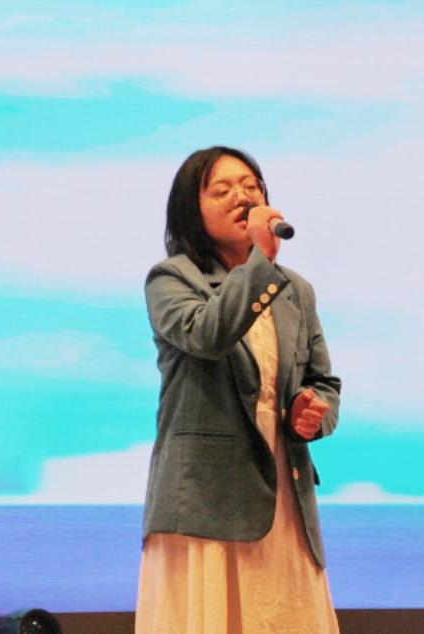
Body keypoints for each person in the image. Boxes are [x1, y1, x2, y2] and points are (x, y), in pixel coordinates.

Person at [135, 146, 342, 633]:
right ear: (192, 210)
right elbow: (208, 335)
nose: (242, 197)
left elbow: (323, 383)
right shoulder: (172, 279)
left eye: (251, 186)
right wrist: (261, 262)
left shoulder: (296, 290)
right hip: (206, 505)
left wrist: (312, 410)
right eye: (222, 190)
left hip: (284, 500)